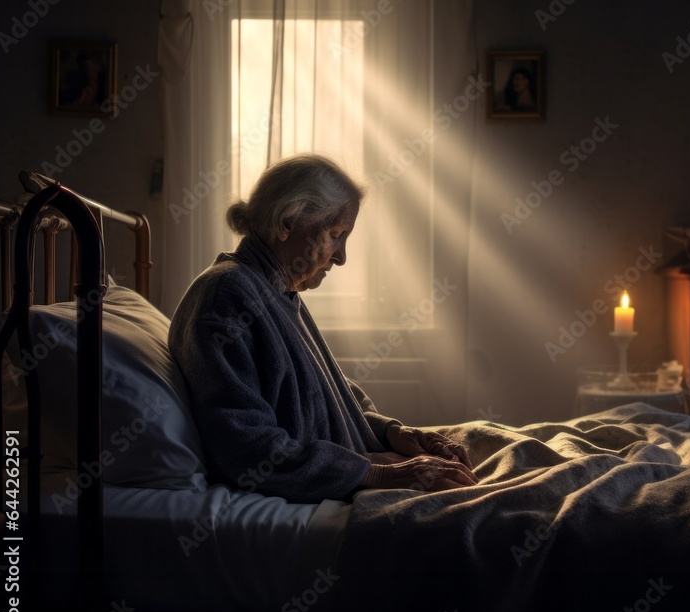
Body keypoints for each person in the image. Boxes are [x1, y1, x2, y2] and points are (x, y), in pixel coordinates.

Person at [169, 154, 477, 503]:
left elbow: (327, 399)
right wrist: (376, 472)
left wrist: (394, 433)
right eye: (335, 235)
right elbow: (245, 450)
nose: (342, 257)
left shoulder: (275, 289)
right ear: (286, 222)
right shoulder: (228, 296)